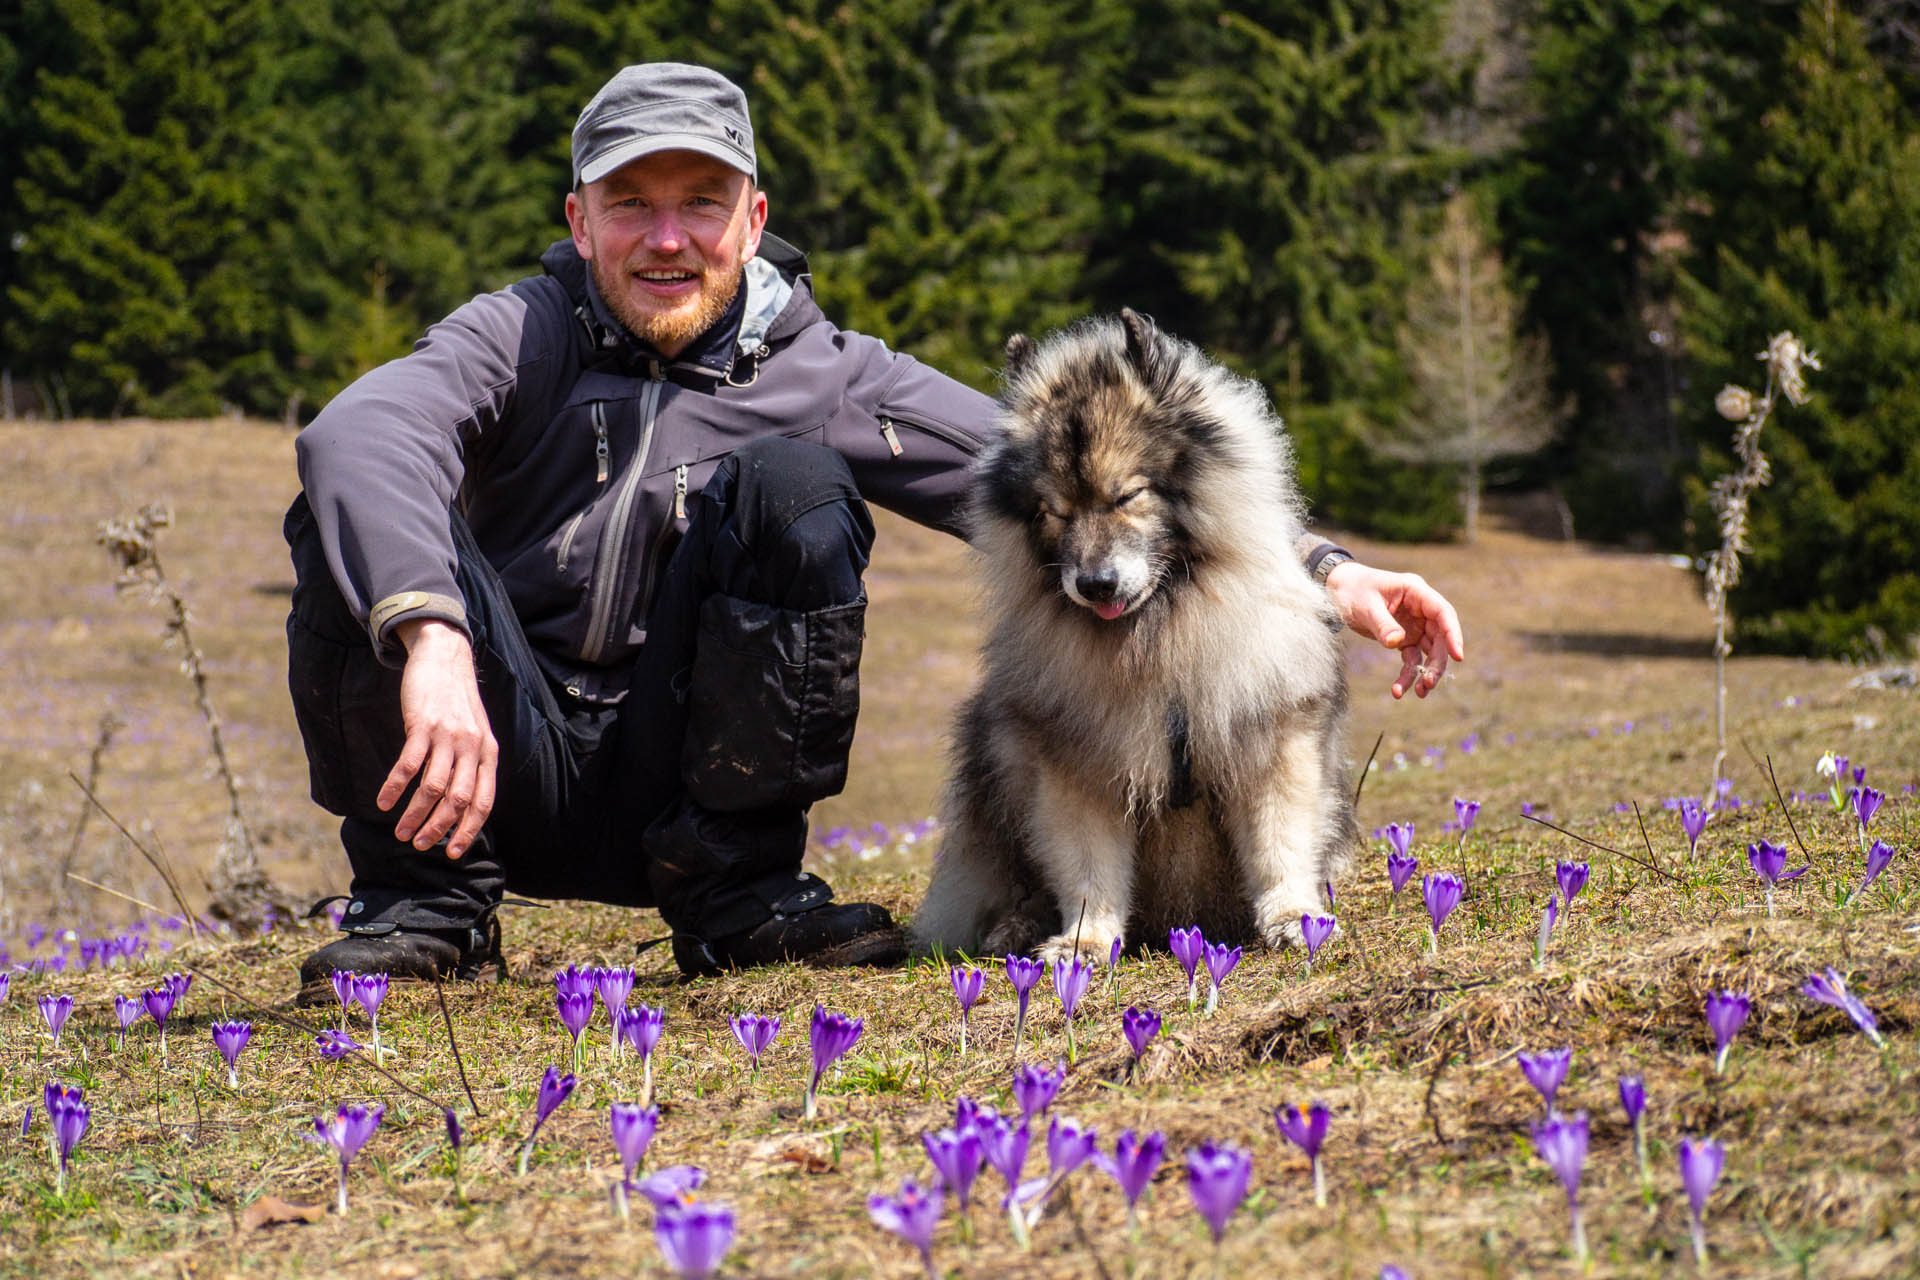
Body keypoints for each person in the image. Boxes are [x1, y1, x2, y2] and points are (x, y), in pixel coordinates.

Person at [286, 62, 1465, 996]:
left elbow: (1058, 471)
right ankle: (426, 907)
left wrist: (1330, 570)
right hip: (489, 762)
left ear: (751, 218)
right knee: (347, 521)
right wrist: (430, 631)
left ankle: (739, 895)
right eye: (629, 205)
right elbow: (354, 435)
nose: (665, 239)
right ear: (577, 217)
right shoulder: (518, 332)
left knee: (797, 486)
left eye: (699, 203)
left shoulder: (824, 368)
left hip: (675, 787)